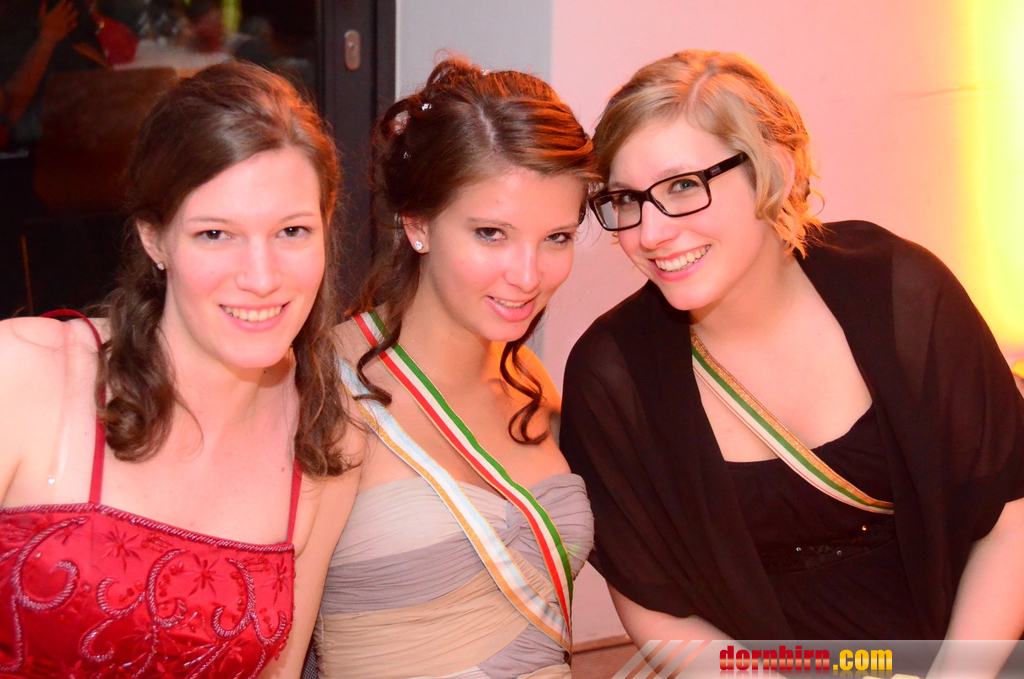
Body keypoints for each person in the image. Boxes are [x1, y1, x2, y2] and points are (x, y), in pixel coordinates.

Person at [560, 50, 1024, 670]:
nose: (650, 233)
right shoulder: (612, 374)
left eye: (682, 187)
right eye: (626, 200)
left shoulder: (897, 290)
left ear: (772, 170)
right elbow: (656, 607)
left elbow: (1009, 512)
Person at [0, 61, 359, 677]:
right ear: (154, 238)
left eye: (291, 231)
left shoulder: (325, 435)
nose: (261, 277)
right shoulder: (24, 375)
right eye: (216, 233)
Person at [307, 58, 597, 679]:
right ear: (417, 223)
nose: (528, 276)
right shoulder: (326, 388)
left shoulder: (528, 380)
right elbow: (274, 641)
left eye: (557, 237)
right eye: (491, 233)